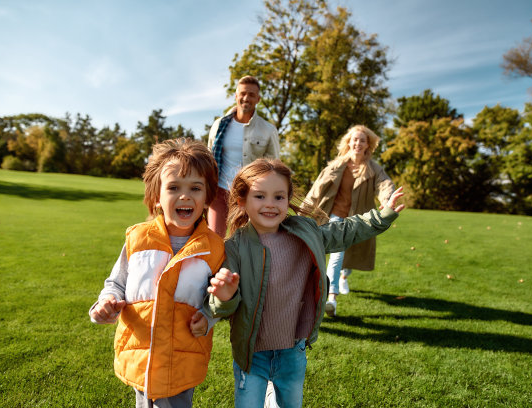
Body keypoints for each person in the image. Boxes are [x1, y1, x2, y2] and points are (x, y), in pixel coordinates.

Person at [204, 158, 405, 407]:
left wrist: (383, 215)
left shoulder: (306, 233)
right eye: (260, 196)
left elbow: (345, 230)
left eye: (279, 197)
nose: (270, 204)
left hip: (293, 351)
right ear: (242, 200)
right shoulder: (234, 248)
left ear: (288, 200)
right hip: (251, 355)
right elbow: (221, 307)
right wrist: (225, 295)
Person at [88, 138, 225, 408]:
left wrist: (208, 317)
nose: (185, 196)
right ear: (156, 196)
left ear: (207, 197)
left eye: (195, 188)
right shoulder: (138, 238)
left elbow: (221, 301)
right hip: (140, 355)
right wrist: (106, 302)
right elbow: (116, 283)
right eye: (174, 187)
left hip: (182, 359)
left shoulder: (214, 248)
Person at [302, 125, 396, 317]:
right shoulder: (335, 166)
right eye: (355, 139)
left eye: (362, 140)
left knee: (348, 257)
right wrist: (302, 212)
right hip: (333, 216)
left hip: (357, 218)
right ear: (348, 142)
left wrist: (388, 200)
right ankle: (331, 299)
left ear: (368, 145)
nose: (358, 143)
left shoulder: (373, 169)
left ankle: (345, 275)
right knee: (336, 255)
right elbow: (315, 191)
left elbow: (385, 184)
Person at [207, 75, 280, 238]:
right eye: (243, 93)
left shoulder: (268, 130)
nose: (246, 98)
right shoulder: (219, 125)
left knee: (242, 242)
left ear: (258, 99)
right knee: (214, 239)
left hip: (248, 194)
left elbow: (274, 167)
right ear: (236, 95)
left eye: (252, 95)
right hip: (219, 191)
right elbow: (208, 158)